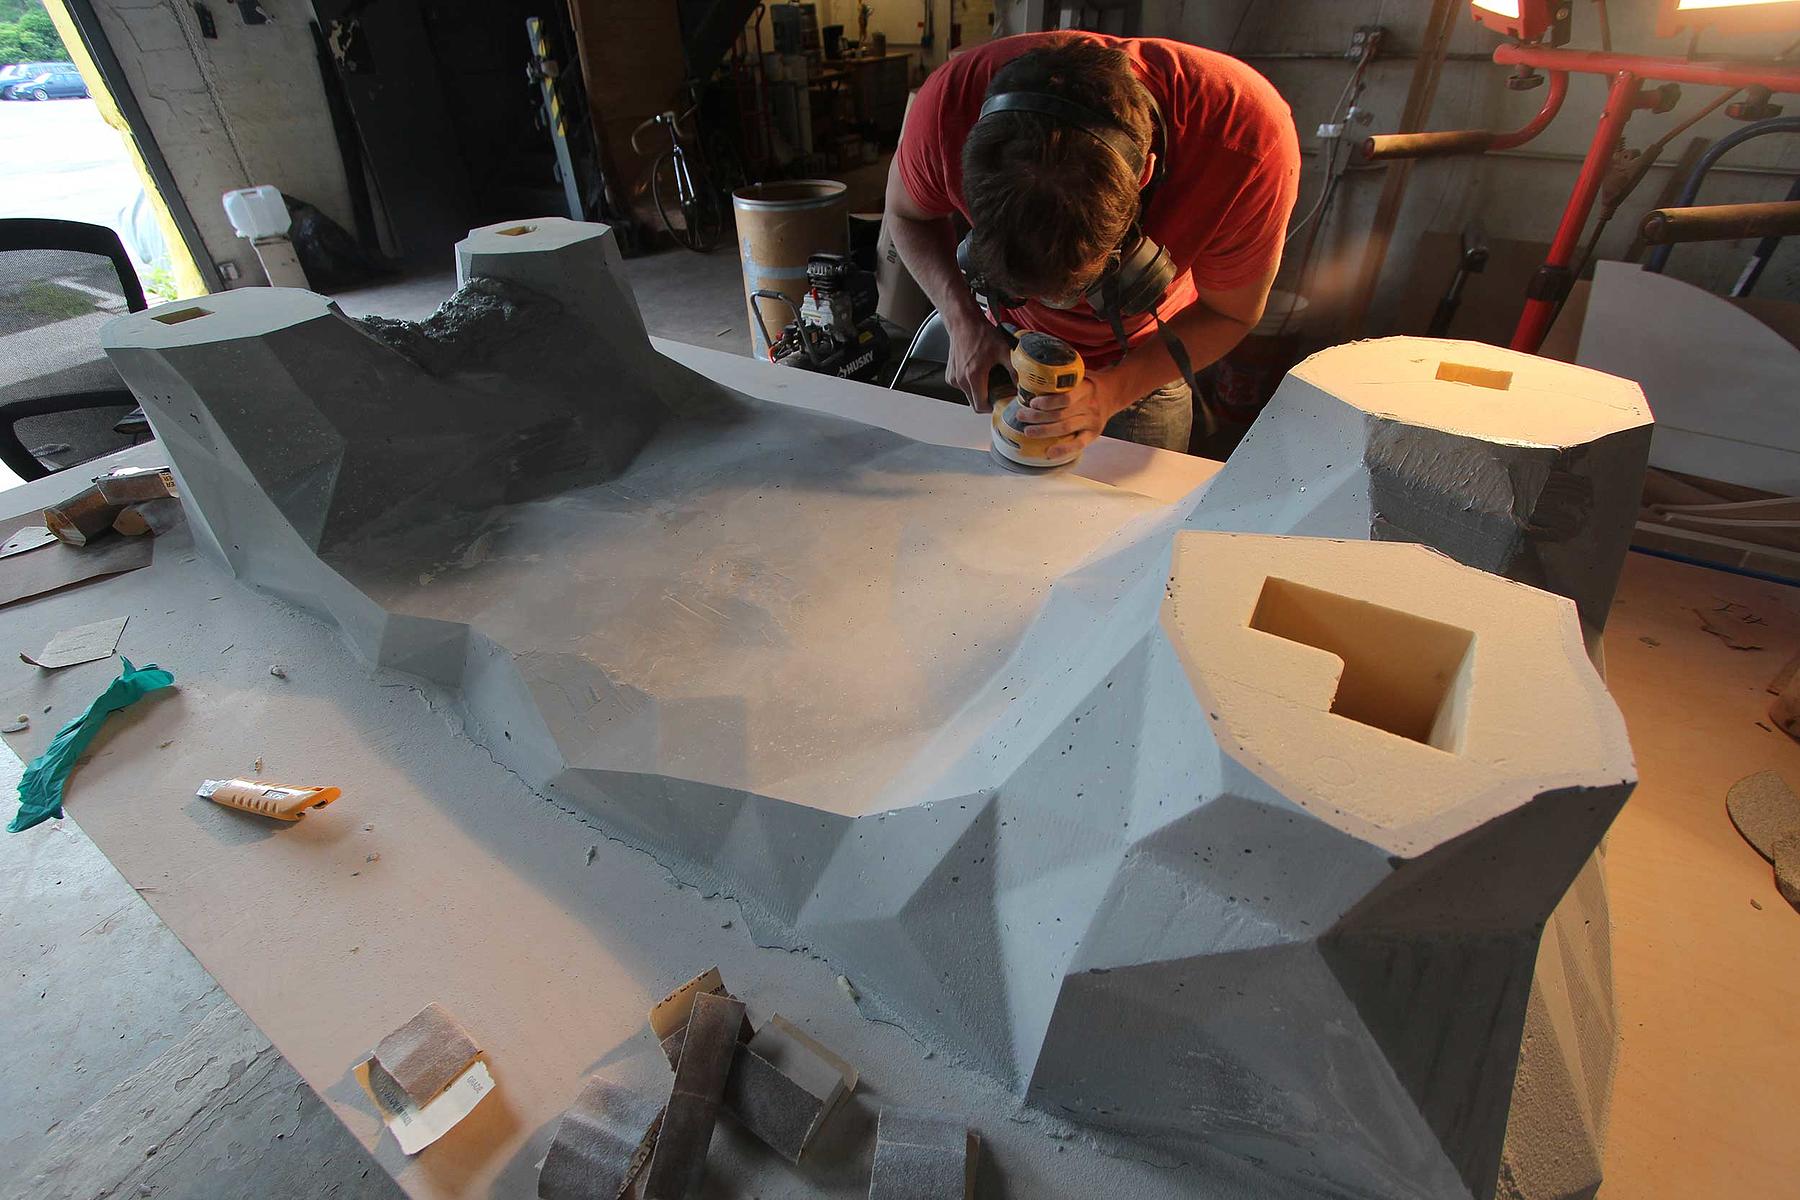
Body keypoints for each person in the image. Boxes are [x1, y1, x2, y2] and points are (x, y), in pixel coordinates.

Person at [886, 32, 1300, 459]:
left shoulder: (1243, 140)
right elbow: (905, 215)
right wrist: (962, 319)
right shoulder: (947, 108)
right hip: (1002, 344)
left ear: (1143, 176)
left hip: (1143, 359)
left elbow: (1229, 313)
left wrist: (1114, 390)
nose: (1054, 307)